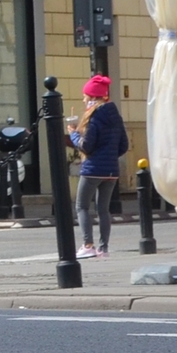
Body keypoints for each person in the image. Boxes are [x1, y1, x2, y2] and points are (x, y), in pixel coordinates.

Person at [71, 74, 127, 259]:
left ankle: (88, 245)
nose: (84, 99)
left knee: (82, 207)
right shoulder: (115, 116)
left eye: (86, 96)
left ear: (93, 98)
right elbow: (124, 145)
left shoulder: (94, 118)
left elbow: (86, 145)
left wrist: (73, 135)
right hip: (111, 170)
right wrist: (109, 156)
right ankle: (103, 248)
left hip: (93, 169)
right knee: (103, 209)